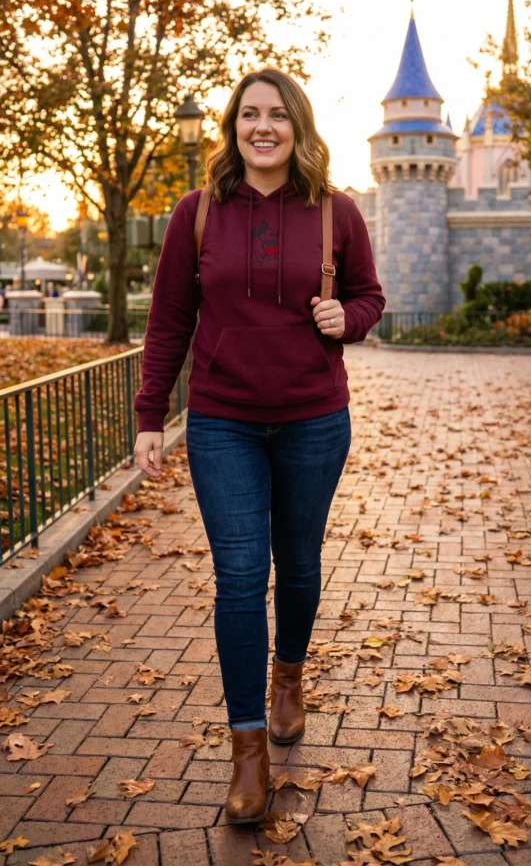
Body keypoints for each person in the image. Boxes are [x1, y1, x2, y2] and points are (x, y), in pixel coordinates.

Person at [133, 67, 385, 825]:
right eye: (249, 114)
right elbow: (169, 318)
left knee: (299, 565)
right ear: (233, 127)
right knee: (240, 577)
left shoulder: (336, 211)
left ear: (298, 126)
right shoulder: (197, 212)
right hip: (223, 422)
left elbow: (369, 295)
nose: (263, 127)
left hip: (314, 419)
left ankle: (289, 677)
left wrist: (349, 319)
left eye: (277, 114)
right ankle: (248, 750)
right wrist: (151, 413)